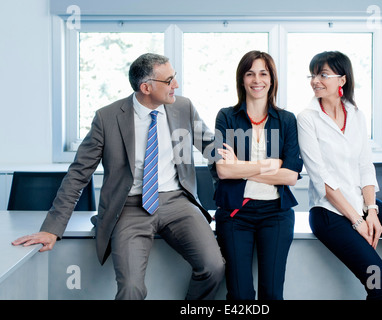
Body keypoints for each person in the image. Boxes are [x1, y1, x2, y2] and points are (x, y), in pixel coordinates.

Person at [12, 53, 225, 300]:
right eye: (169, 80)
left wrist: (254, 168)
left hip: (177, 202)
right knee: (131, 288)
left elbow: (212, 148)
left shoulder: (182, 107)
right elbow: (78, 174)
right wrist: (52, 228)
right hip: (130, 207)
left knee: (214, 267)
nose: (175, 85)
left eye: (174, 77)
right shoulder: (107, 118)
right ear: (146, 87)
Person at [297, 51, 382, 300]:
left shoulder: (356, 115)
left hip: (362, 204)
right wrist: (357, 220)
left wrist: (371, 210)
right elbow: (321, 178)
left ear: (342, 80)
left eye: (323, 74)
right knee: (381, 285)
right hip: (329, 213)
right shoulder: (307, 119)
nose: (315, 80)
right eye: (313, 74)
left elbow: (365, 166)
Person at [211, 50, 303, 300]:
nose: (256, 80)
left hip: (276, 214)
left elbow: (291, 177)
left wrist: (241, 167)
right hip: (235, 214)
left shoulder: (286, 120)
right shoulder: (226, 116)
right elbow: (223, 170)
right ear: (242, 79)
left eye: (263, 73)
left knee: (272, 293)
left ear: (271, 79)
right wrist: (270, 165)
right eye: (250, 73)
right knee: (240, 295)